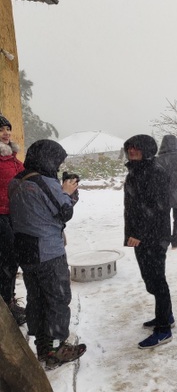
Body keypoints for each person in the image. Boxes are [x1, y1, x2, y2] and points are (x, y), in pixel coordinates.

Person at [9, 139, 86, 368]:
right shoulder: (45, 182)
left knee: (37, 298)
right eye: (57, 161)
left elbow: (36, 210)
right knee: (57, 298)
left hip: (25, 250)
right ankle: (56, 348)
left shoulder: (16, 181)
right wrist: (68, 193)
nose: (58, 166)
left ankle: (43, 346)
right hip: (48, 251)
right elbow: (64, 212)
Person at [123, 134, 174, 349]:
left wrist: (139, 233)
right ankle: (166, 316)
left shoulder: (154, 172)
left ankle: (163, 329)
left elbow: (156, 208)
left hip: (153, 236)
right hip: (142, 236)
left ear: (147, 150)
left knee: (156, 280)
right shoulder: (137, 171)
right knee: (151, 279)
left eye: (136, 148)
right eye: (129, 148)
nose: (132, 151)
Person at [0, 115, 26, 326]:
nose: (6, 133)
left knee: (12, 259)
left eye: (8, 129)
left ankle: (8, 300)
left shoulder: (12, 158)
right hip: (1, 215)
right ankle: (6, 304)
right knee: (7, 259)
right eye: (1, 130)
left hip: (14, 215)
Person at [155, 135, 177, 249]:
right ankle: (176, 240)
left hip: (163, 195)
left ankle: (164, 240)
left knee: (164, 218)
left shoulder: (157, 160)